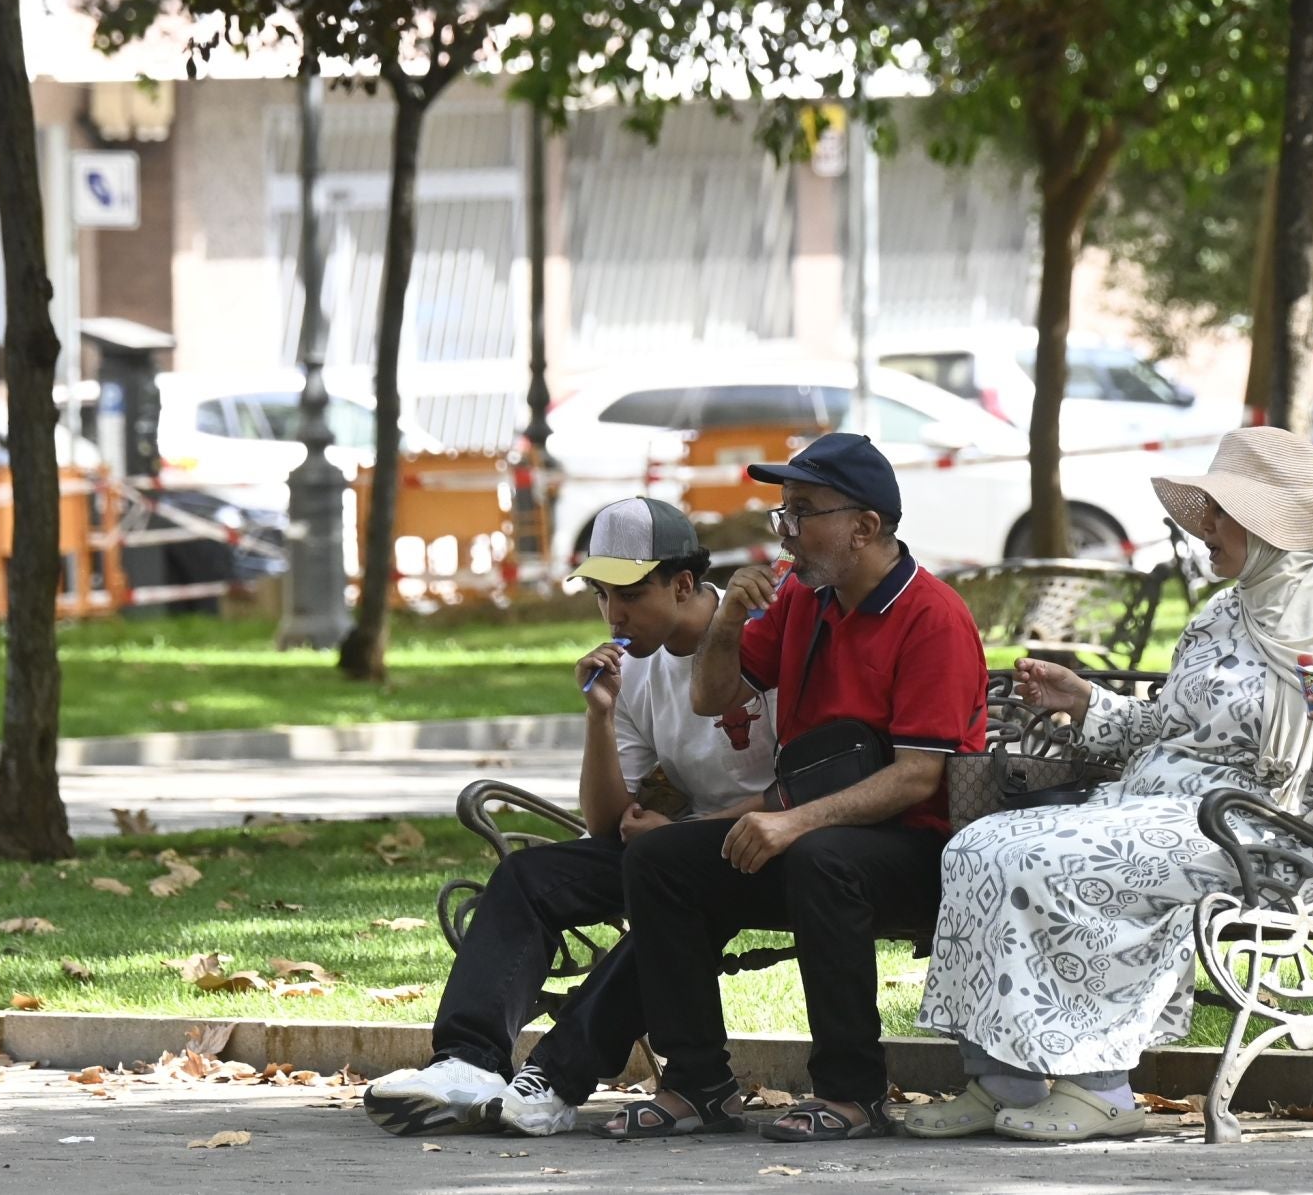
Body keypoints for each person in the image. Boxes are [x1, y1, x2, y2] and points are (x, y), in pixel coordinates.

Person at [907, 426, 1313, 1143]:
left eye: (1221, 512)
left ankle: (1100, 1084)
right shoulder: (1221, 612)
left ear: (1270, 526)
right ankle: (1001, 1075)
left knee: (1054, 857)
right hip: (1155, 806)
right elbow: (1168, 728)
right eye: (1208, 510)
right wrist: (1086, 700)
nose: (1205, 528)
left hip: (1266, 834)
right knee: (978, 845)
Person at [594, 432, 989, 1143]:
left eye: (802, 512)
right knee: (659, 861)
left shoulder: (933, 616)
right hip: (820, 839)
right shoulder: (805, 600)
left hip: (918, 852)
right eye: (783, 512)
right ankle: (698, 1082)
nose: (785, 531)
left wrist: (791, 820)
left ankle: (852, 1092)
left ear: (863, 526)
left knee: (821, 857)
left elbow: (918, 775)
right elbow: (714, 699)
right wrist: (726, 624)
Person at [363, 497, 776, 1138]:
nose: (614, 615)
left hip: (768, 847)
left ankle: (556, 1079)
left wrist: (686, 833)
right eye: (601, 596)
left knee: (664, 885)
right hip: (670, 848)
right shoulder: (634, 668)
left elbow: (802, 787)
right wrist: (600, 717)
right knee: (531, 877)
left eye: (630, 595)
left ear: (685, 583)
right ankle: (467, 1063)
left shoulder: (761, 638)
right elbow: (608, 823)